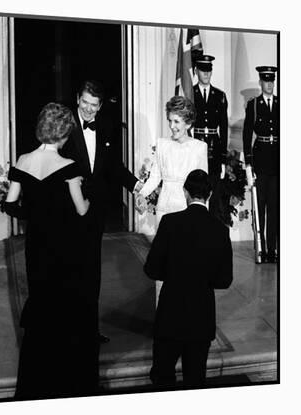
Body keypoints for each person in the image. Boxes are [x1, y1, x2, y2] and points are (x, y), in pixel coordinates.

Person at [5, 103, 97, 399]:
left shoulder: (22, 161)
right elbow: (81, 210)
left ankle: (37, 379)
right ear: (64, 134)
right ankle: (64, 380)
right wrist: (89, 200)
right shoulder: (69, 168)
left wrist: (34, 212)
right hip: (64, 247)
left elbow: (9, 205)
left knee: (41, 300)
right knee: (64, 306)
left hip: (36, 245)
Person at [60, 80, 143, 344]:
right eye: (84, 103)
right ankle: (67, 329)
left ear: (100, 106)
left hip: (95, 212)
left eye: (93, 106)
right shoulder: (64, 125)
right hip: (68, 211)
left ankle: (89, 329)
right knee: (69, 269)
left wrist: (137, 186)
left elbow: (114, 167)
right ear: (77, 99)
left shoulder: (106, 127)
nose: (87, 110)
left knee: (92, 270)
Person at [144, 169, 233, 389]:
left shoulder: (169, 222)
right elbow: (224, 280)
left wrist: (175, 274)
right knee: (195, 380)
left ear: (185, 192)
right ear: (209, 194)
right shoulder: (220, 230)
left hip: (170, 314)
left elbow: (152, 269)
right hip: (201, 317)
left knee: (162, 377)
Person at [137, 95, 208, 225]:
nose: (171, 126)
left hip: (187, 208)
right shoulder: (162, 144)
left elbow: (202, 186)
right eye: (170, 121)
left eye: (176, 121)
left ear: (188, 123)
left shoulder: (199, 148)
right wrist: (142, 194)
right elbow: (155, 177)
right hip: (164, 208)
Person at [242, 66, 279, 263]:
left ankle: (273, 250)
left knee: (275, 208)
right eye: (266, 81)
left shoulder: (282, 103)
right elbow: (247, 135)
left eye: (272, 81)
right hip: (261, 160)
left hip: (278, 161)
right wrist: (248, 164)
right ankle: (262, 249)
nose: (270, 84)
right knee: (261, 207)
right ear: (260, 83)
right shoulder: (254, 105)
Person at [192, 55, 229, 222]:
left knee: (214, 194)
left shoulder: (219, 95)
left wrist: (223, 157)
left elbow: (224, 126)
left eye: (209, 70)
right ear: (196, 71)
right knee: (197, 192)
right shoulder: (190, 93)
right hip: (196, 144)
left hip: (214, 149)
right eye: (202, 70)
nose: (206, 73)